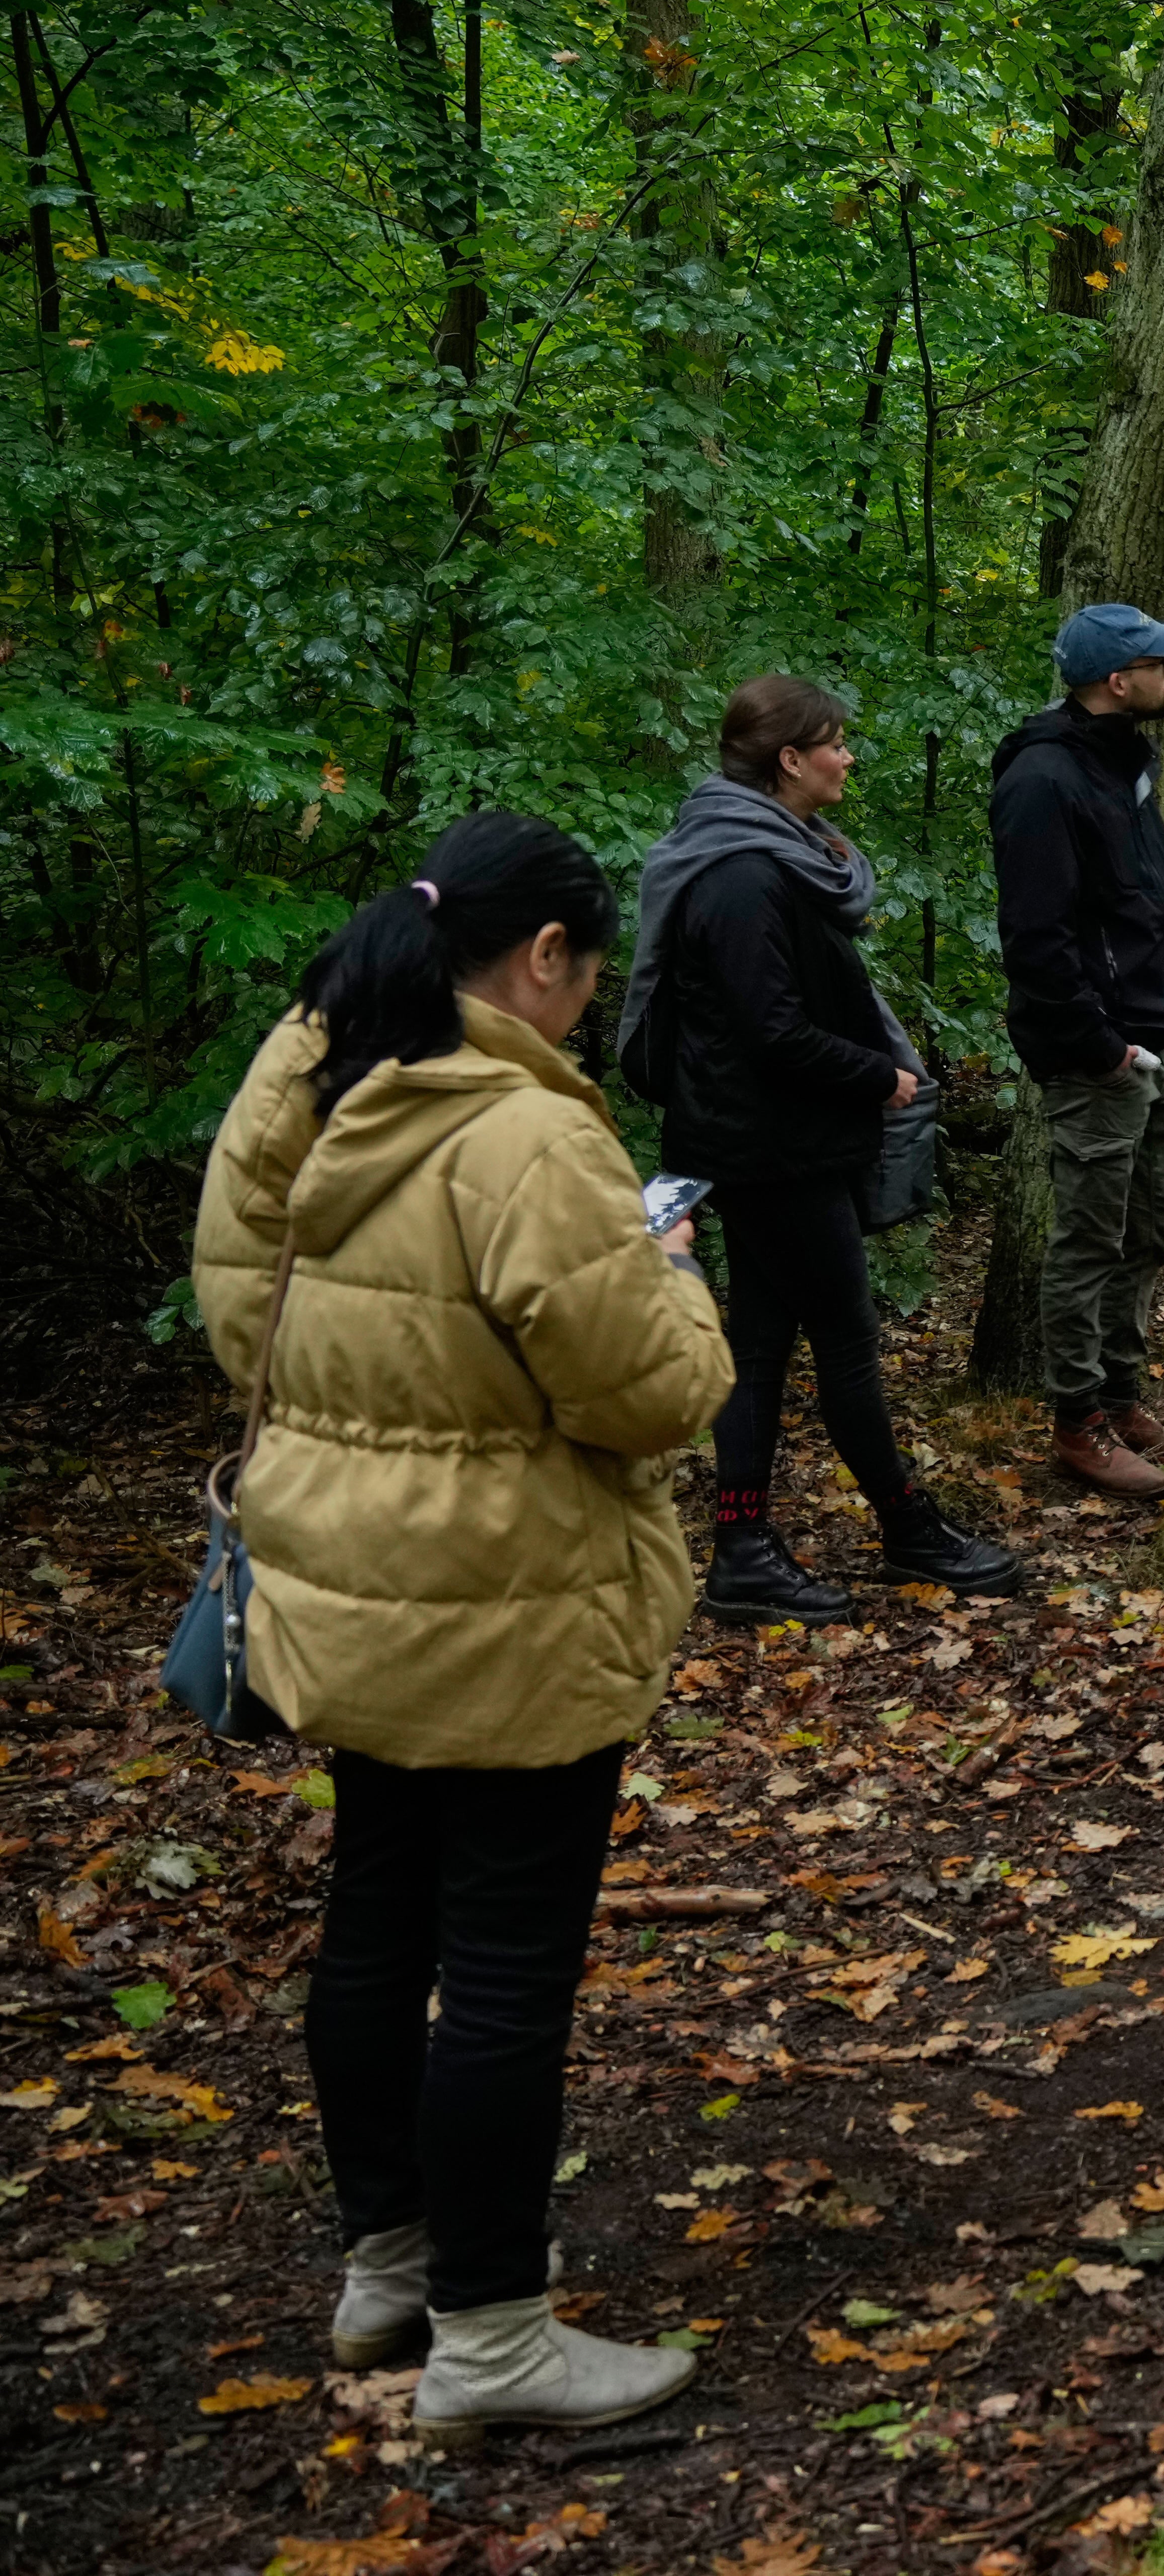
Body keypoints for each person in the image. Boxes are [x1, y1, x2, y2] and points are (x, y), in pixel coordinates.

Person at [193, 814, 735, 2447]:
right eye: (586, 979)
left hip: (341, 1579)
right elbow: (653, 1393)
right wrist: (671, 1265)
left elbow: (238, 1310)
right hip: (510, 1601)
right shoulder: (520, 1132)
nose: (581, 1014)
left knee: (380, 1920)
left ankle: (395, 2267)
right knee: (503, 1967)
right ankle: (494, 2340)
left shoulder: (305, 1072)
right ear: (544, 957)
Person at [630, 676, 1020, 1619]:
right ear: (789, 760)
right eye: (834, 743)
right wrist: (875, 1076)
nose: (848, 757)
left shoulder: (777, 854)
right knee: (846, 1341)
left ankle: (743, 1551)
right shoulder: (741, 870)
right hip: (772, 1144)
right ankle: (908, 1530)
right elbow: (770, 1027)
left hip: (773, 1137)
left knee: (761, 1344)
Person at [991, 601, 1164, 1502]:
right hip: (1102, 1052)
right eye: (1161, 662)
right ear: (1119, 680)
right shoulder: (1045, 778)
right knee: (1087, 1239)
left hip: (1154, 1037)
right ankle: (1078, 1424)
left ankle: (1122, 1399)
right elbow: (1037, 937)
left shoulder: (1125, 765)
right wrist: (1101, 1044)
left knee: (1146, 1229)